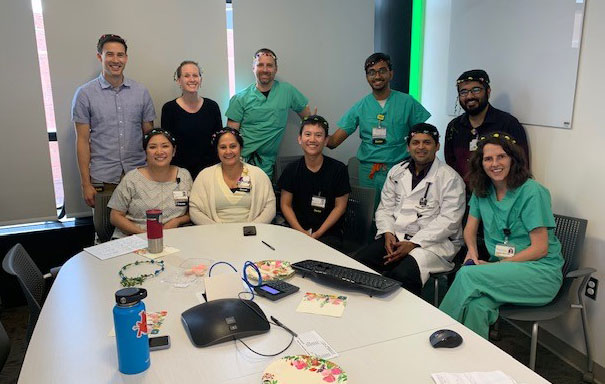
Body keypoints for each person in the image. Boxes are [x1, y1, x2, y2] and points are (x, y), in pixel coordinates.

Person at [439, 132, 563, 340]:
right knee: (477, 306)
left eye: (501, 157)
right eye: (488, 158)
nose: (495, 163)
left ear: (513, 159)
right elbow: (470, 228)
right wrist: (472, 252)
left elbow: (540, 248)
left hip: (540, 275)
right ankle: (473, 364)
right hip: (504, 273)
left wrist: (496, 266)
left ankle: (435, 330)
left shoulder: (532, 191)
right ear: (481, 163)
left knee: (467, 275)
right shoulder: (482, 190)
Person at [352, 123, 465, 296]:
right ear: (408, 146)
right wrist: (388, 232)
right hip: (395, 238)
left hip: (432, 245)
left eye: (427, 142)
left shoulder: (450, 179)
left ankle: (405, 320)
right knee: (360, 263)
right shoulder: (397, 172)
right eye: (416, 142)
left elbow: (449, 221)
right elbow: (384, 209)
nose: (421, 147)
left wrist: (413, 243)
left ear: (437, 146)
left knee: (402, 275)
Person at [71, 34, 155, 225]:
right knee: (105, 233)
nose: (116, 60)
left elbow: (149, 137)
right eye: (110, 54)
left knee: (140, 232)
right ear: (100, 57)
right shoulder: (85, 94)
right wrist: (86, 183)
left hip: (138, 175)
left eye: (121, 55)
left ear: (126, 58)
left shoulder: (141, 92)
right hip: (103, 179)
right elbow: (82, 141)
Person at [327, 52, 430, 208]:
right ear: (367, 77)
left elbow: (424, 136)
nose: (377, 76)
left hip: (399, 169)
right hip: (369, 172)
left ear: (391, 73)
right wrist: (314, 131)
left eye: (382, 70)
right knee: (368, 216)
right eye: (371, 72)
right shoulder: (361, 106)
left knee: (400, 214)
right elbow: (333, 142)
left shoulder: (407, 102)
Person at [225, 48, 312, 179]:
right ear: (253, 68)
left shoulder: (287, 92)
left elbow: (309, 120)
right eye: (260, 65)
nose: (265, 69)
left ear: (276, 69)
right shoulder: (240, 98)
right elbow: (230, 137)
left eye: (269, 65)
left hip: (267, 165)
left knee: (264, 197)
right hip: (241, 163)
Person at [444, 69, 529, 188]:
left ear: (488, 91)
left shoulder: (508, 124)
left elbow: (521, 167)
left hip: (497, 198)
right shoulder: (454, 127)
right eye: (463, 92)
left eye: (476, 90)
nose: (469, 96)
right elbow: (450, 165)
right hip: (461, 196)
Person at [278, 115, 351, 250]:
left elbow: (340, 207)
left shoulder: (338, 170)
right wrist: (300, 232)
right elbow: (285, 204)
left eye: (318, 135)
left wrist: (318, 234)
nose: (312, 139)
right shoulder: (291, 169)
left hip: (328, 233)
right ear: (300, 139)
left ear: (326, 140)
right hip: (296, 230)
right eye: (307, 134)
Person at [107, 129, 192, 238]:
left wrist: (177, 221)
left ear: (174, 151)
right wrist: (145, 235)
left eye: (165, 146)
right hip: (134, 237)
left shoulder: (184, 176)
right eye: (152, 147)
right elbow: (115, 216)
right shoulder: (132, 179)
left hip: (173, 237)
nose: (159, 152)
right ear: (145, 152)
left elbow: (192, 212)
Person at [189, 128, 276, 224]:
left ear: (241, 148)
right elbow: (194, 209)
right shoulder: (205, 176)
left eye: (233, 146)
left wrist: (251, 229)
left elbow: (270, 206)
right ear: (217, 151)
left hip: (252, 235)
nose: (228, 151)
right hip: (215, 235)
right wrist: (215, 229)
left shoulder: (258, 175)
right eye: (223, 147)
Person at [161, 60, 222, 179]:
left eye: (195, 75)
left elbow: (218, 142)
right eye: (187, 76)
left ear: (201, 79)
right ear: (179, 80)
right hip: (179, 174)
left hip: (209, 173)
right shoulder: (169, 109)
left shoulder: (212, 107)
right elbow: (167, 145)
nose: (192, 79)